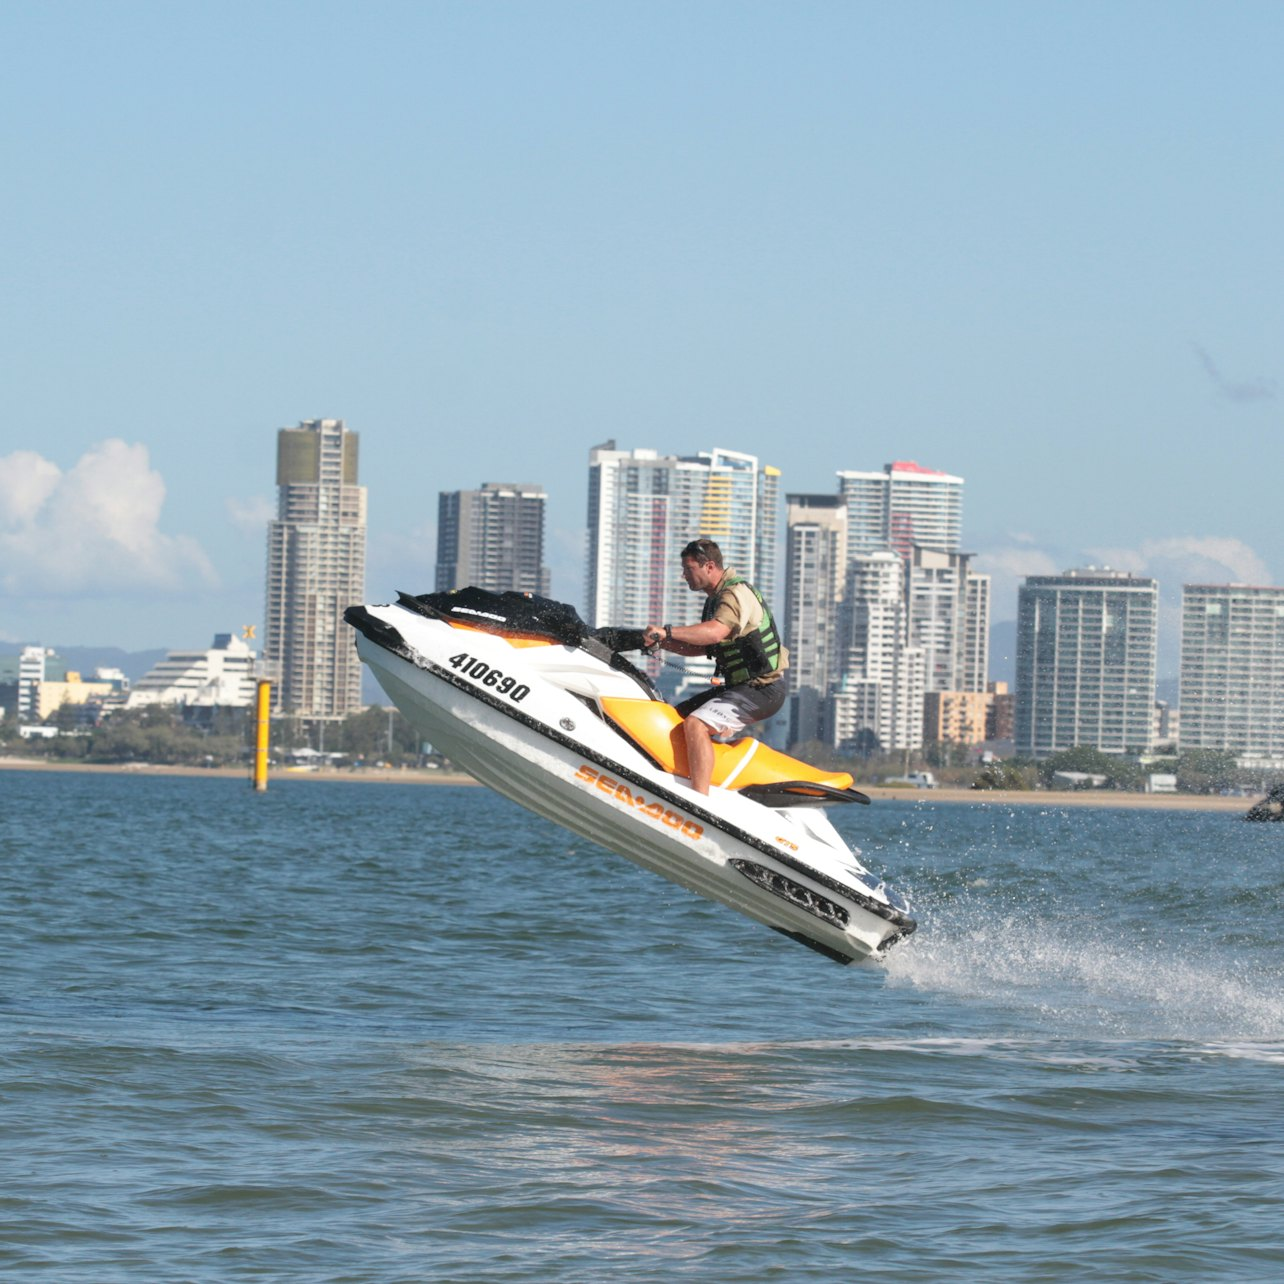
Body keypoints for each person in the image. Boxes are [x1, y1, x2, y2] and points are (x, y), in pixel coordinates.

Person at [644, 538, 789, 795]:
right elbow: (703, 648)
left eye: (689, 569)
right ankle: (684, 779)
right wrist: (661, 645)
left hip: (762, 689)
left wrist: (666, 632)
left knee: (696, 724)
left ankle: (699, 800)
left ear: (709, 566)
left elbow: (713, 633)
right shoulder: (714, 600)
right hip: (743, 688)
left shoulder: (734, 594)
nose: (684, 575)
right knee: (676, 718)